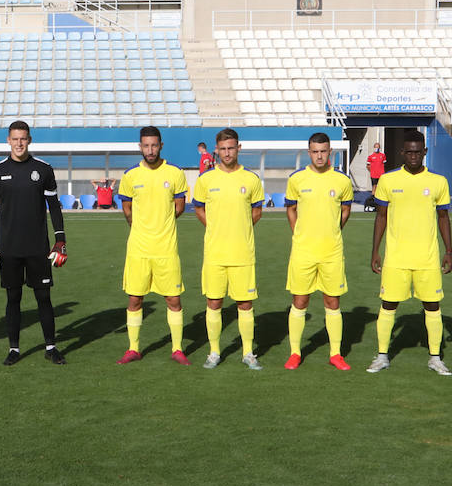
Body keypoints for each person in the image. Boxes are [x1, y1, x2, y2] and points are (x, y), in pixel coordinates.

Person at [0, 121, 69, 365]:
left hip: (38, 247)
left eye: (23, 139)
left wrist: (60, 239)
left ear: (30, 140)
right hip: (9, 248)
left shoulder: (44, 170)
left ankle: (51, 347)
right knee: (13, 298)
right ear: (8, 140)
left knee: (43, 297)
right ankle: (14, 349)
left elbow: (54, 207)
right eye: (15, 139)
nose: (19, 143)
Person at [366, 130, 452, 376]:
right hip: (395, 257)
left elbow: (444, 218)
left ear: (424, 152)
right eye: (409, 152)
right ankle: (382, 355)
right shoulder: (388, 180)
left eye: (418, 151)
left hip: (427, 258)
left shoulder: (438, 181)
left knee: (432, 306)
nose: (414, 156)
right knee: (388, 304)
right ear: (402, 153)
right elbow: (381, 217)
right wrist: (375, 251)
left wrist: (449, 251)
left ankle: (435, 357)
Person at [192, 128, 265, 370]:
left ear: (238, 148)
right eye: (222, 148)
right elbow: (199, 208)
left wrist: (240, 228)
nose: (227, 152)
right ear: (216, 150)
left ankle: (247, 352)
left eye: (231, 148)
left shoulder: (251, 179)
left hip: (243, 253)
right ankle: (214, 352)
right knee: (214, 303)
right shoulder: (205, 180)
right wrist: (215, 227)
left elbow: (256, 211)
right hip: (214, 254)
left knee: (245, 304)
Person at [116, 126, 190, 365]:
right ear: (140, 147)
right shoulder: (130, 176)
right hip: (138, 250)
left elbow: (179, 207)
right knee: (135, 299)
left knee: (173, 300)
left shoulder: (175, 173)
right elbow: (127, 209)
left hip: (166, 249)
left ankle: (177, 349)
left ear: (161, 146)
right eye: (146, 145)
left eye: (154, 145)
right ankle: (133, 348)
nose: (150, 150)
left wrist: (161, 226)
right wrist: (141, 229)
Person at [283, 132, 354, 370]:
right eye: (315, 151)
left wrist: (334, 230)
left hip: (331, 251)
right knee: (300, 300)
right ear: (309, 152)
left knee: (332, 301)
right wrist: (298, 234)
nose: (320, 156)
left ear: (330, 152)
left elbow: (345, 210)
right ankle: (295, 352)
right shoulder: (296, 179)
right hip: (303, 251)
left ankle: (335, 354)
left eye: (323, 151)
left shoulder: (342, 181)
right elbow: (291, 209)